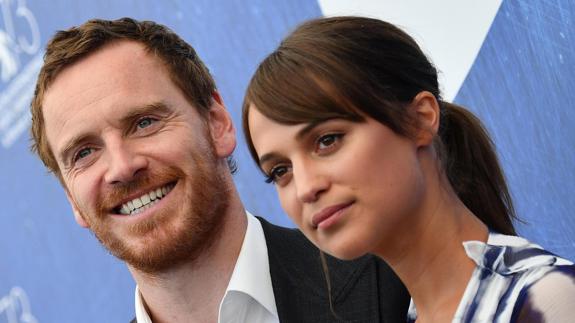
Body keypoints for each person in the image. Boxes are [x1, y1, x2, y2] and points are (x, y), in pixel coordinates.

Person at [29, 17, 409, 323]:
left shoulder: (390, 280)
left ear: (217, 123)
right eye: (84, 153)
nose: (122, 168)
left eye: (144, 123)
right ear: (71, 200)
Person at [242, 16, 575, 322]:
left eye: (328, 140)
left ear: (420, 119)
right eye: (280, 171)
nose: (305, 188)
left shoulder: (546, 301)